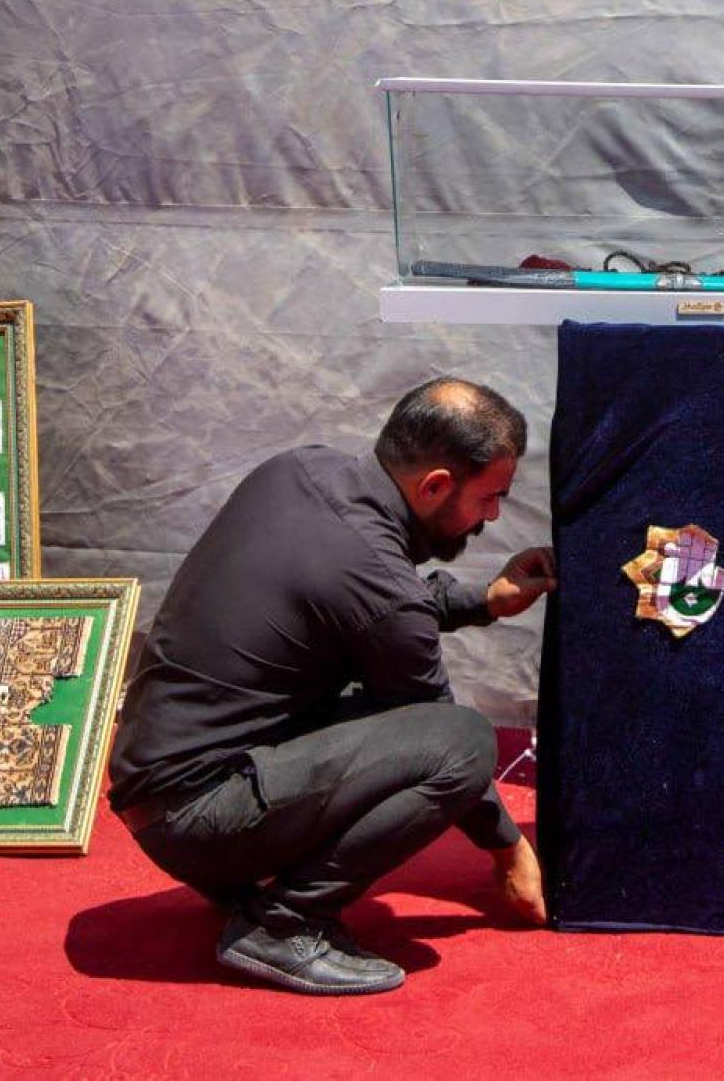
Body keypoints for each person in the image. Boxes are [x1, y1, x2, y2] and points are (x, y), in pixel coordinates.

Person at [106, 377, 558, 995]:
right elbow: (436, 727)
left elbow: (362, 600)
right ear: (434, 486)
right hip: (197, 818)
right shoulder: (377, 577)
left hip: (155, 790)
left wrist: (482, 599)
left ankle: (246, 881)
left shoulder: (301, 469)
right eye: (489, 497)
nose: (494, 516)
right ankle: (283, 926)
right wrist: (509, 849)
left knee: (384, 718)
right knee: (464, 743)